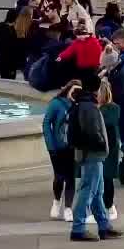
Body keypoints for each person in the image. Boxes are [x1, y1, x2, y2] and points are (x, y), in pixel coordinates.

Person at [68, 82, 122, 241]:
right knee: (88, 191)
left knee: (97, 192)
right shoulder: (89, 107)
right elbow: (92, 131)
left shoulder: (83, 105)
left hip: (90, 154)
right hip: (92, 154)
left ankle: (104, 226)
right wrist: (100, 144)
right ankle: (78, 229)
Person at [43, 80, 80, 222]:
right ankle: (57, 201)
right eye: (74, 90)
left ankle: (68, 208)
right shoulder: (56, 103)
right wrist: (50, 145)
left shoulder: (79, 104)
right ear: (68, 89)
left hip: (73, 147)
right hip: (58, 148)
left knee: (71, 178)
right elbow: (47, 123)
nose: (76, 93)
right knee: (59, 177)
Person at [98, 79, 122, 224]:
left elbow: (108, 124)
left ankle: (110, 206)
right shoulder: (107, 108)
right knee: (102, 179)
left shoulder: (111, 109)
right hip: (105, 147)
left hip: (109, 148)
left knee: (106, 178)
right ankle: (104, 207)